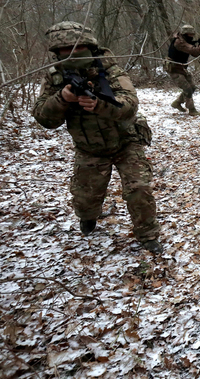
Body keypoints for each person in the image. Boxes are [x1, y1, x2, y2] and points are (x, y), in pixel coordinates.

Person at [33, 21, 163, 255]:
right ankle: (88, 218)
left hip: (126, 142)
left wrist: (100, 105)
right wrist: (62, 99)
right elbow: (44, 118)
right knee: (85, 199)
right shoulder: (54, 77)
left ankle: (148, 235)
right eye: (65, 51)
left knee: (139, 190)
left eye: (77, 48)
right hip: (89, 148)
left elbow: (130, 104)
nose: (71, 55)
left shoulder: (110, 69)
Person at [166, 24, 200, 116]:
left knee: (192, 87)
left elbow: (194, 52)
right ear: (185, 34)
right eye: (190, 35)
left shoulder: (184, 40)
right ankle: (192, 109)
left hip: (181, 68)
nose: (191, 37)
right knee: (187, 89)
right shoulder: (179, 42)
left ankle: (177, 103)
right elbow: (194, 51)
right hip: (174, 69)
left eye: (192, 35)